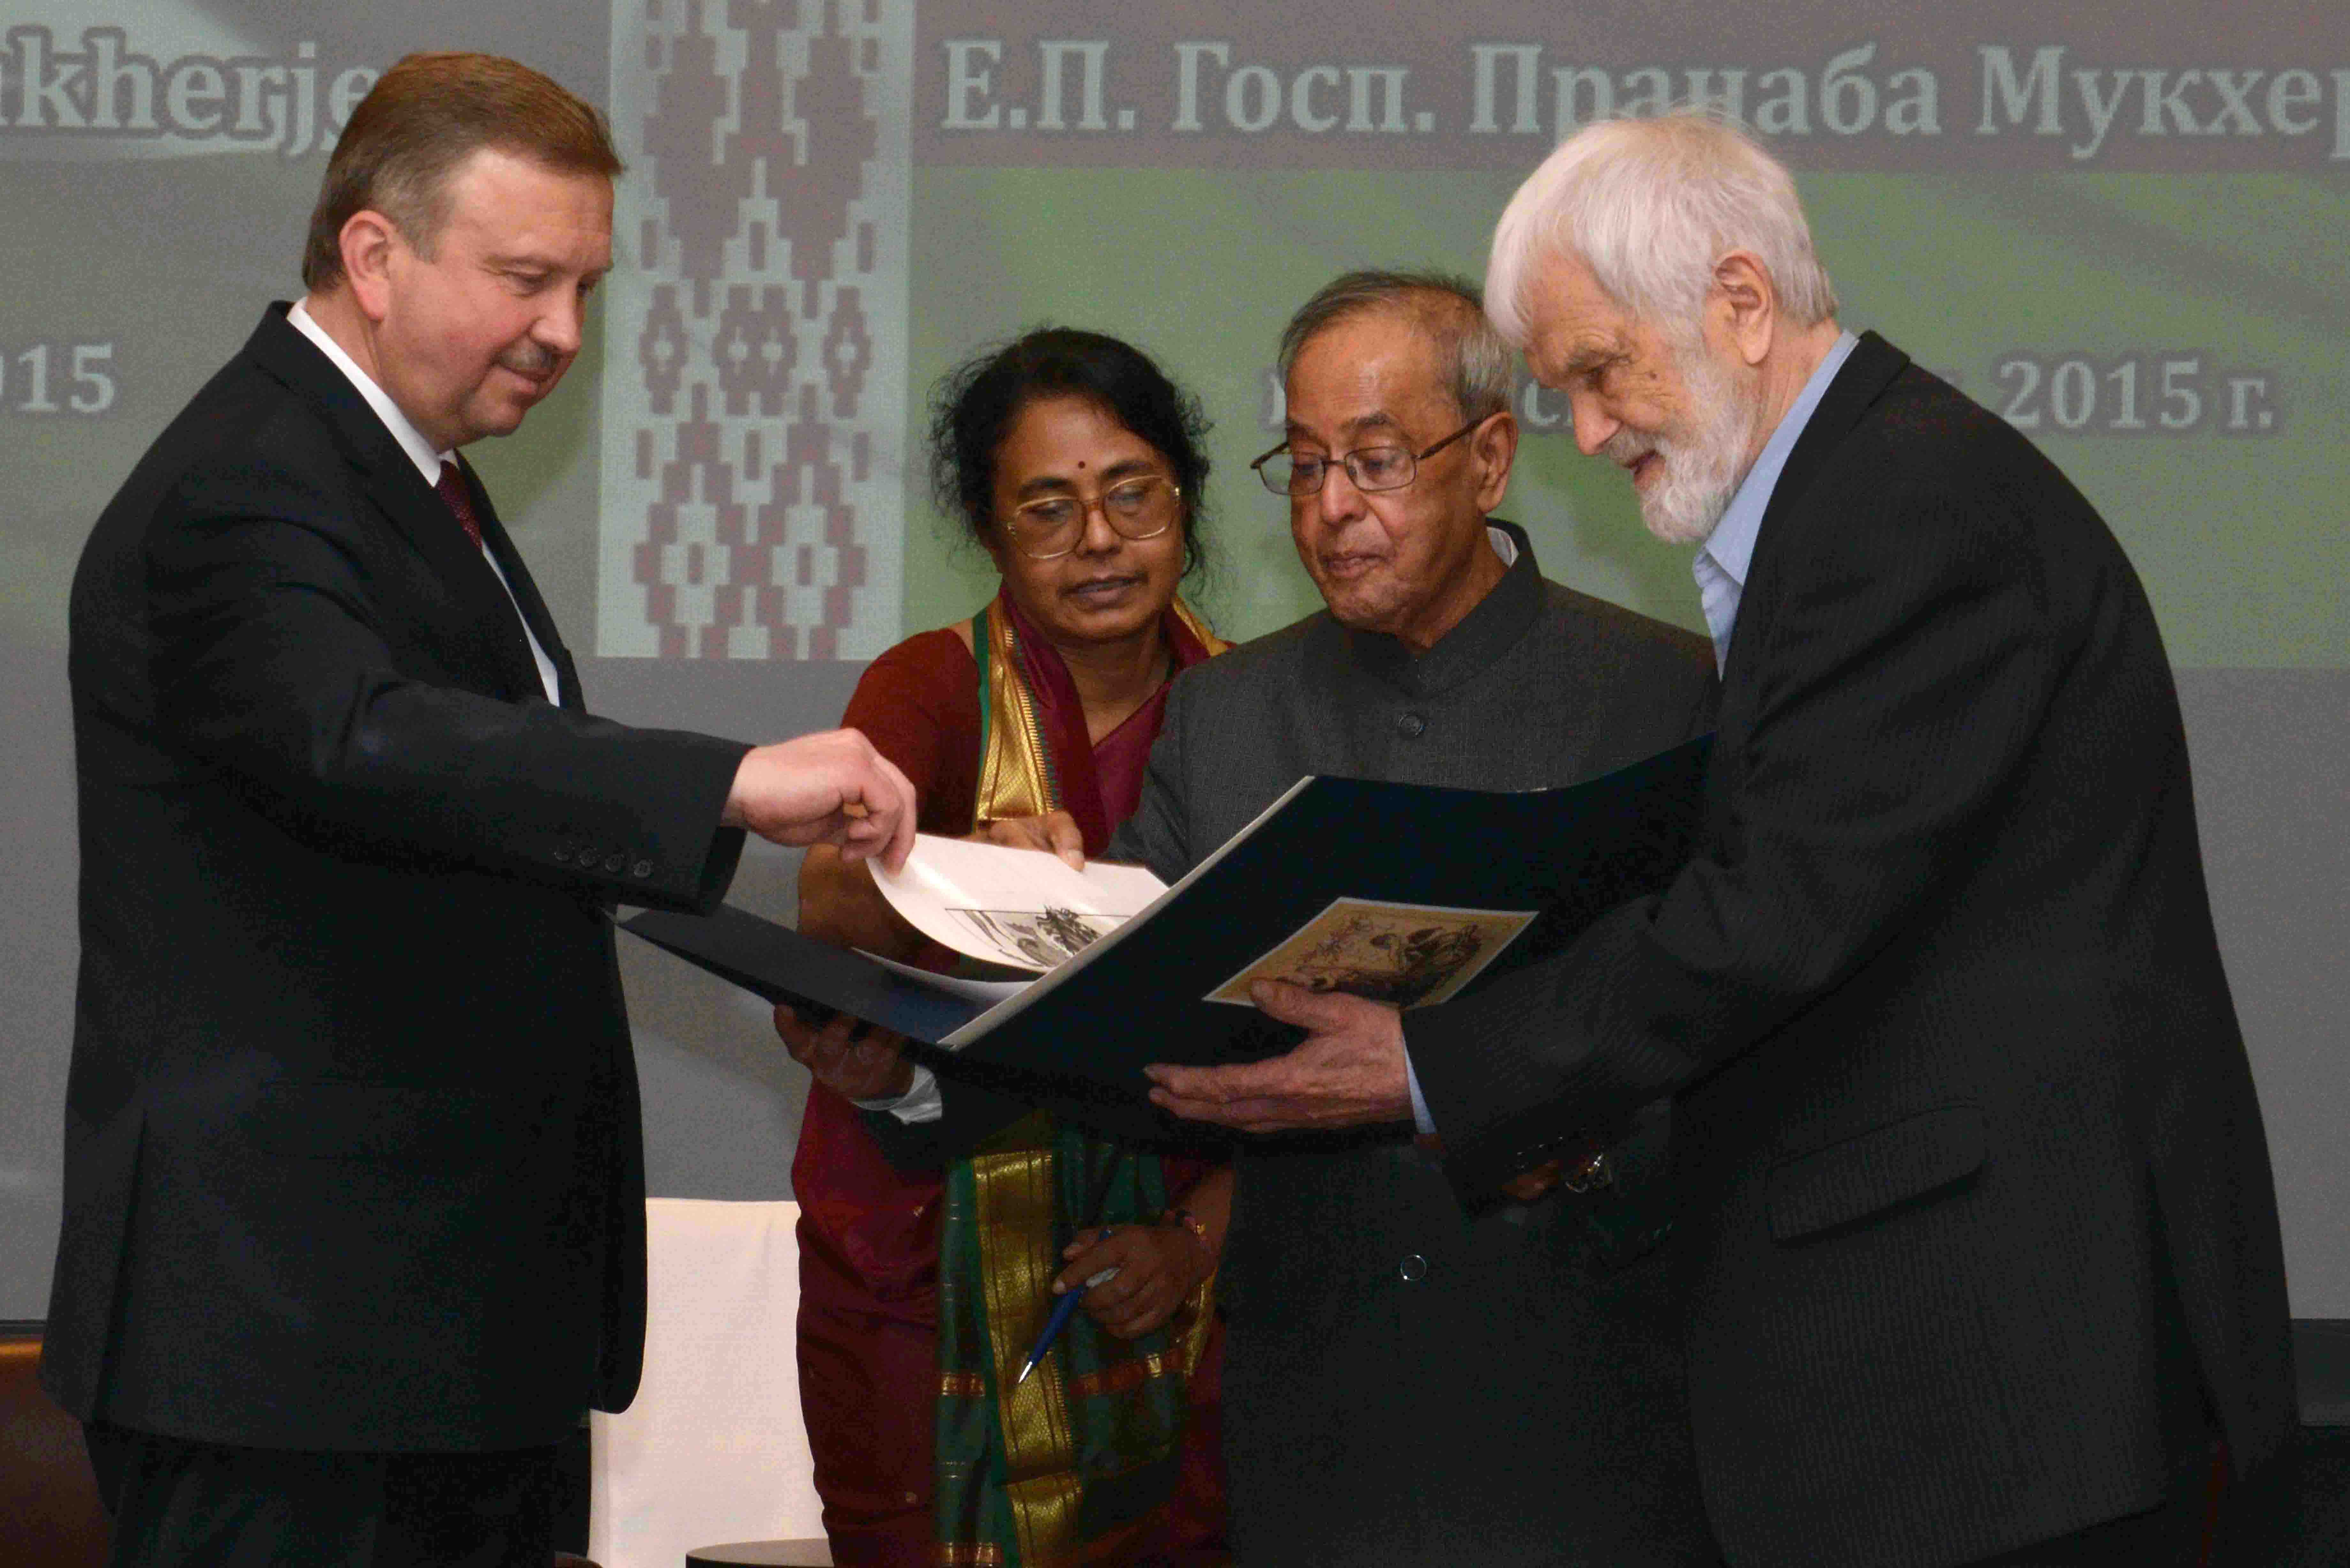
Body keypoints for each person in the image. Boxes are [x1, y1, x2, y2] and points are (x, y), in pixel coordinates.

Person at [1150, 114, 2299, 1567]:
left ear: (1740, 306)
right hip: (1961, 1375)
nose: (1589, 427)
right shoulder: (1871, 490)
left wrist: (1436, 1063)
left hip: (2000, 1379)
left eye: (1597, 369)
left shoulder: (1904, 506)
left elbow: (1771, 917)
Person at [44, 53, 914, 1568]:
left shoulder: (397, 471)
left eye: (586, 284)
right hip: (295, 1347)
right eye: (526, 277)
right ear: (374, 255)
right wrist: (721, 780)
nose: (565, 334)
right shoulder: (249, 480)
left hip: (425, 1331)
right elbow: (366, 740)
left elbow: (479, 796)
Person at [974, 272, 1721, 1565]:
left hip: (1590, 1393)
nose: (1329, 511)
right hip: (1314, 1416)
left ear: (1489, 458)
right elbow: (1125, 1017)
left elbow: (1740, 1011)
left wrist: (1581, 1142)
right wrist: (1025, 911)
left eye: (1373, 462)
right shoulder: (1228, 717)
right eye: (1304, 464)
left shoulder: (1662, 694)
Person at [776, 328, 1233, 1566]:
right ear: (990, 534)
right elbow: (828, 900)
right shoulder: (930, 687)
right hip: (922, 1285)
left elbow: (1313, 1037)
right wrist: (973, 870)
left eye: (1129, 494)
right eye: (1048, 508)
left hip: (1184, 1279)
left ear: (1184, 499)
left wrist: (1197, 1242)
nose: (1097, 540)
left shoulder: (1254, 709)